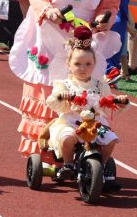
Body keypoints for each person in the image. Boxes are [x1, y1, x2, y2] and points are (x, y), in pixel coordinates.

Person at [9, 0, 121, 156]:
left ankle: (84, 149)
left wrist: (105, 18)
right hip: (50, 36)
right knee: (50, 90)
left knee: (86, 91)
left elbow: (111, 3)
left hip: (85, 40)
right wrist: (47, 10)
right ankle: (47, 153)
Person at [44, 27, 127, 189]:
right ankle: (68, 165)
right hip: (70, 122)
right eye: (77, 64)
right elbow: (52, 101)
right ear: (68, 65)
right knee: (67, 138)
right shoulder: (63, 84)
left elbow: (108, 102)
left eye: (88, 64)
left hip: (95, 124)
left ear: (94, 64)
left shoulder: (100, 84)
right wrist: (62, 96)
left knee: (110, 139)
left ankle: (101, 168)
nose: (82, 68)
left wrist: (119, 101)